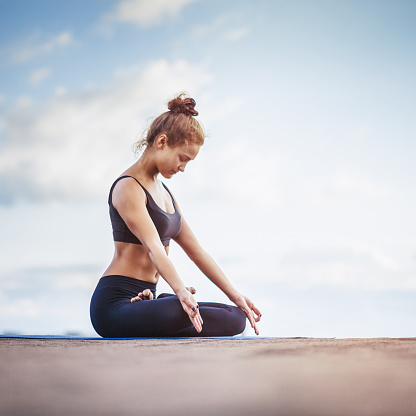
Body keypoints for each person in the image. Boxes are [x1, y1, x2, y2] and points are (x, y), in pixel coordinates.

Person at [90, 94, 261, 337]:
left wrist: (236, 295)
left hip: (149, 297)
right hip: (115, 305)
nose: (183, 168)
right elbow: (154, 248)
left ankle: (154, 307)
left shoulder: (166, 194)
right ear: (162, 142)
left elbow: (198, 253)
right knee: (176, 309)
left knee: (235, 318)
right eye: (182, 158)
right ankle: (160, 307)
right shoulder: (128, 187)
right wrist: (180, 290)